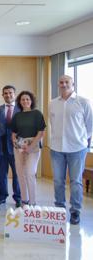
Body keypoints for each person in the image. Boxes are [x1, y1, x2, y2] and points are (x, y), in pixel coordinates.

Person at [49, 75, 91, 225]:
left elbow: (90, 126)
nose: (64, 84)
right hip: (56, 148)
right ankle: (59, 209)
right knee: (58, 180)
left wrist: (81, 141)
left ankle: (75, 211)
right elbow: (52, 123)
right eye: (61, 82)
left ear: (73, 84)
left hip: (77, 149)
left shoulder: (83, 102)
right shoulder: (53, 103)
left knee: (75, 181)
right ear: (58, 84)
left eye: (67, 82)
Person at [11, 91, 46, 208]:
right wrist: (16, 143)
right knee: (20, 173)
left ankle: (32, 201)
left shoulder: (37, 114)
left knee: (30, 173)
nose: (25, 101)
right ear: (19, 102)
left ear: (31, 101)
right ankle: (24, 200)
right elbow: (13, 133)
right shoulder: (17, 116)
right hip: (19, 148)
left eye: (27, 99)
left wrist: (30, 147)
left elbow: (41, 132)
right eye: (22, 100)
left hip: (33, 147)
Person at [0, 85, 21, 208]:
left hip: (17, 149)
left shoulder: (21, 109)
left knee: (18, 175)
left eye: (10, 93)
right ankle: (2, 196)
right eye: (5, 93)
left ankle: (18, 198)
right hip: (1, 149)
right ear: (2, 95)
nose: (8, 95)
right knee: (2, 174)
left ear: (15, 94)